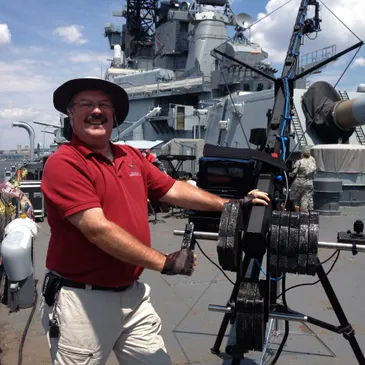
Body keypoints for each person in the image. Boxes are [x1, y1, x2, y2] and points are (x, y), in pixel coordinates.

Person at [39, 77, 270, 365]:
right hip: (82, 302)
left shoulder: (131, 156)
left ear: (114, 116)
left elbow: (174, 188)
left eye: (104, 105)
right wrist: (165, 262)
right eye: (86, 104)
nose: (96, 111)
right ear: (70, 115)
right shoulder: (64, 162)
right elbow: (96, 228)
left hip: (132, 296)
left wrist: (230, 205)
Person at [289, 146, 317, 212]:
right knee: (306, 198)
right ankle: (309, 212)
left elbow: (293, 173)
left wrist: (289, 175)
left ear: (302, 153)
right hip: (310, 182)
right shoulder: (313, 161)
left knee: (294, 198)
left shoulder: (299, 162)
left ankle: (296, 213)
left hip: (299, 182)